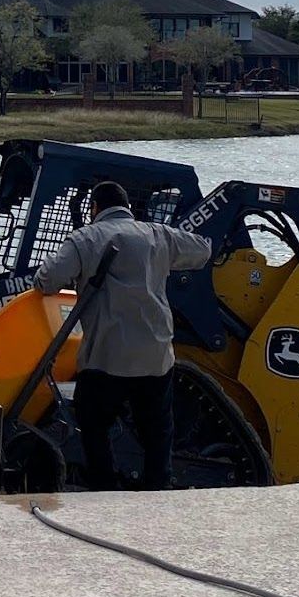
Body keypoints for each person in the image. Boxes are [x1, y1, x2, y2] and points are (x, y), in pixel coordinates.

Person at [34, 181, 211, 491]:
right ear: (128, 207)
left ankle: (104, 485)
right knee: (157, 429)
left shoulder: (85, 238)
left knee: (93, 424)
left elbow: (47, 279)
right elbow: (202, 250)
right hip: (155, 355)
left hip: (106, 356)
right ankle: (156, 487)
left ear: (95, 209)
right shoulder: (157, 234)